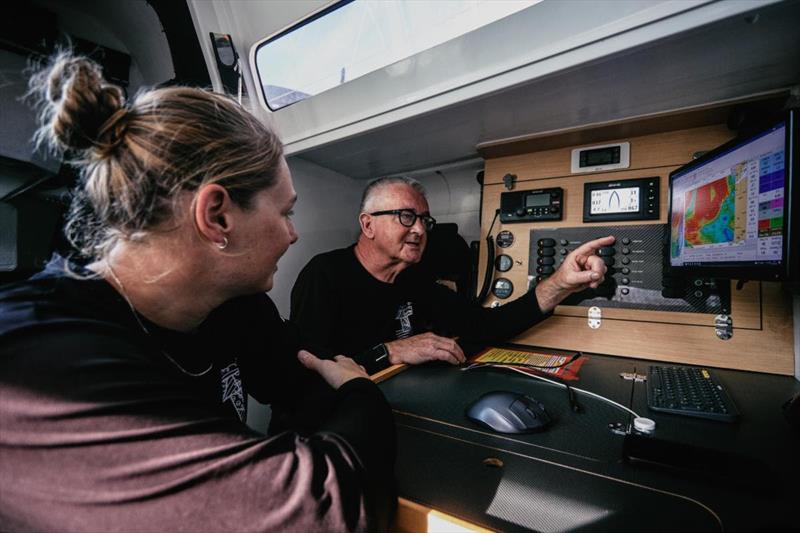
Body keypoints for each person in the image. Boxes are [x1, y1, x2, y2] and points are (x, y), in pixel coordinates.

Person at [0, 53, 395, 532]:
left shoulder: (237, 306)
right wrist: (360, 393)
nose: (292, 234)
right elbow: (320, 513)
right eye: (286, 212)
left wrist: (357, 370)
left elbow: (300, 377)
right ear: (218, 217)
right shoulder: (39, 361)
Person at [290, 176, 613, 373]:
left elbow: (486, 325)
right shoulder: (324, 275)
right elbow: (307, 373)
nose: (419, 229)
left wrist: (560, 283)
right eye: (406, 216)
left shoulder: (414, 280)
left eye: (424, 220)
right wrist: (390, 352)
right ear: (367, 224)